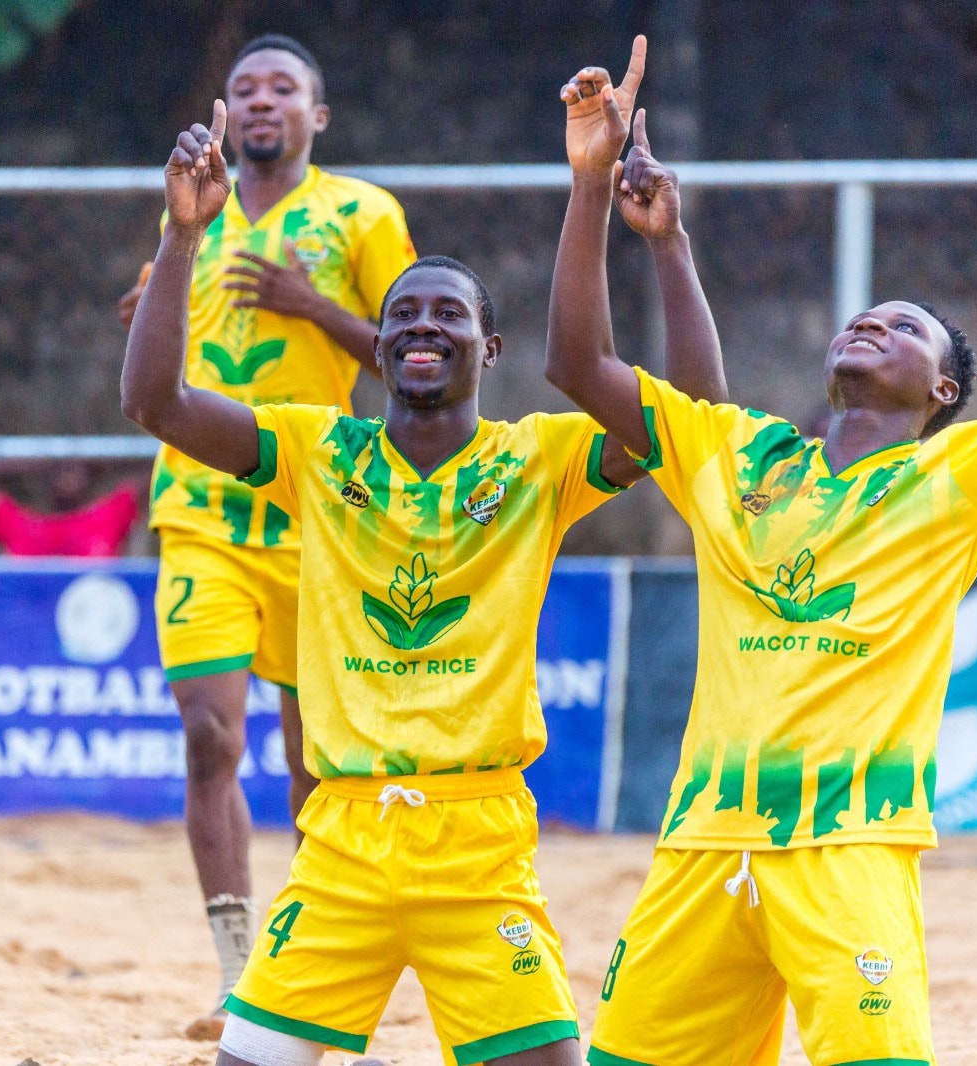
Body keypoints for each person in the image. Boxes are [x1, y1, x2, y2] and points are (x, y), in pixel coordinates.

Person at [545, 39, 977, 1066]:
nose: (870, 320)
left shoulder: (960, 477)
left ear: (942, 393)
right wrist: (593, 186)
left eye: (903, 326)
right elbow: (575, 362)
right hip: (701, 848)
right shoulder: (738, 455)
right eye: (862, 316)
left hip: (848, 850)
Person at [121, 62, 722, 1064]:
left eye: (445, 314)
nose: (419, 326)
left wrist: (633, 221)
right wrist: (182, 234)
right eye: (401, 315)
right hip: (344, 846)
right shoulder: (321, 450)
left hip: (478, 845)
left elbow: (699, 425)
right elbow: (156, 404)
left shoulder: (538, 456)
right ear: (383, 346)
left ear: (489, 347)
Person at [118, 34, 419, 1037]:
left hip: (316, 513)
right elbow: (156, 350)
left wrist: (311, 307)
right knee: (208, 733)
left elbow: (422, 353)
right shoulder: (186, 210)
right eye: (243, 87)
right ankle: (236, 967)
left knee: (311, 770)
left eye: (282, 88)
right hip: (200, 508)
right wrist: (154, 292)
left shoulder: (361, 213)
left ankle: (312, 969)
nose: (259, 101)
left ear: (316, 117)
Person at [0, 458, 143, 557]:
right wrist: (39, 463)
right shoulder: (20, 524)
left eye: (73, 467)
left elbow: (160, 464)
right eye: (60, 467)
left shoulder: (107, 516)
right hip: (25, 623)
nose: (67, 474)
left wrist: (99, 463)